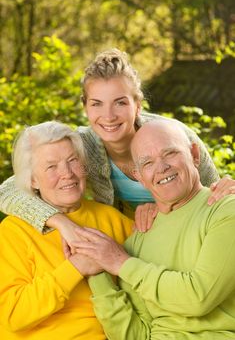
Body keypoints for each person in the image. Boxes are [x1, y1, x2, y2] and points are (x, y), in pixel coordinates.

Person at [0, 48, 234, 246]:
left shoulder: (174, 137)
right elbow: (7, 191)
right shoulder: (82, 147)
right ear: (85, 107)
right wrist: (60, 222)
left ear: (138, 105)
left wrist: (225, 189)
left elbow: (213, 192)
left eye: (120, 102)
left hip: (188, 235)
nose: (108, 116)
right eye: (97, 104)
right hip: (131, 240)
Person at [71, 119, 235, 340]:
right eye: (147, 163)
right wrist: (97, 271)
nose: (161, 167)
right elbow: (134, 335)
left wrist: (121, 264)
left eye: (170, 153)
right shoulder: (140, 233)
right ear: (139, 176)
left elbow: (198, 298)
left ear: (195, 155)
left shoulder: (226, 209)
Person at [0, 121, 133, 339]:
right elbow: (13, 314)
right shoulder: (13, 231)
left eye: (73, 161)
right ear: (33, 179)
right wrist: (75, 268)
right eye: (52, 167)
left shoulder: (111, 218)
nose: (67, 174)